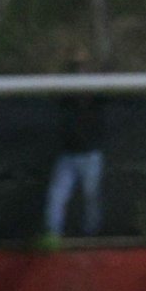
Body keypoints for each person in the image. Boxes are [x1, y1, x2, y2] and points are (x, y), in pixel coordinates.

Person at [43, 54, 106, 240]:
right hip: (68, 155)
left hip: (90, 154)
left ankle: (92, 233)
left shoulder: (96, 97)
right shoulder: (66, 99)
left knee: (92, 196)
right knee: (56, 195)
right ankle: (53, 233)